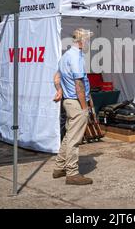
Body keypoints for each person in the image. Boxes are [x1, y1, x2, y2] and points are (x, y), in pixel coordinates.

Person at [52, 28, 94, 185]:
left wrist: (59, 91)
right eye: (88, 40)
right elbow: (79, 85)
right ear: (82, 41)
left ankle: (59, 167)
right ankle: (72, 173)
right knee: (74, 139)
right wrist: (85, 107)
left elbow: (56, 77)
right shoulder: (76, 57)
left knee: (69, 135)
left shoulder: (66, 56)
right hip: (76, 102)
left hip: (68, 101)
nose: (89, 43)